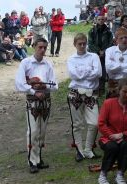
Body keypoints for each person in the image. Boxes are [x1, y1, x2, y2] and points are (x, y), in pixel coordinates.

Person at [15, 38, 58, 173]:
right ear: (34, 47)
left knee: (42, 132)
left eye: (45, 48)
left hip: (45, 100)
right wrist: (34, 90)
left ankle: (38, 159)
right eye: (40, 47)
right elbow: (19, 84)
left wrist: (45, 87)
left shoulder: (48, 64)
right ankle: (32, 161)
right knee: (33, 131)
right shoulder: (26, 63)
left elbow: (55, 84)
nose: (43, 50)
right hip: (32, 101)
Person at [67, 33, 102, 162]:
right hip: (75, 93)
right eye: (79, 44)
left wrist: (81, 73)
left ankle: (88, 149)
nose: (82, 46)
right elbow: (73, 75)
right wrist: (88, 72)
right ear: (75, 44)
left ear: (86, 43)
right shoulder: (71, 59)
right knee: (77, 124)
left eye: (84, 43)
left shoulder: (94, 56)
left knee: (94, 122)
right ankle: (79, 150)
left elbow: (98, 73)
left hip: (91, 93)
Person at [97, 79, 127, 184]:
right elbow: (101, 123)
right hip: (108, 137)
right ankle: (103, 174)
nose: (126, 95)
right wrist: (111, 135)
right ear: (119, 91)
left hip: (125, 137)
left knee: (125, 145)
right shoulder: (108, 103)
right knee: (112, 147)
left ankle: (120, 174)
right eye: (125, 91)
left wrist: (122, 135)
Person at [88, 15, 114, 93]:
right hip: (95, 54)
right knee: (95, 72)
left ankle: (102, 89)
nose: (100, 21)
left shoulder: (108, 31)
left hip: (105, 55)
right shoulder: (92, 31)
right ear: (96, 20)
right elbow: (90, 43)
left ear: (105, 20)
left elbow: (110, 43)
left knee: (103, 72)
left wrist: (104, 51)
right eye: (99, 19)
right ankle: (94, 89)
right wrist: (98, 51)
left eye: (102, 19)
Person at [105, 27, 127, 98]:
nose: (124, 40)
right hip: (113, 84)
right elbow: (108, 68)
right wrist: (124, 66)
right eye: (121, 38)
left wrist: (115, 66)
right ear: (116, 40)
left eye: (126, 37)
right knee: (112, 106)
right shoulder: (110, 50)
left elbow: (112, 68)